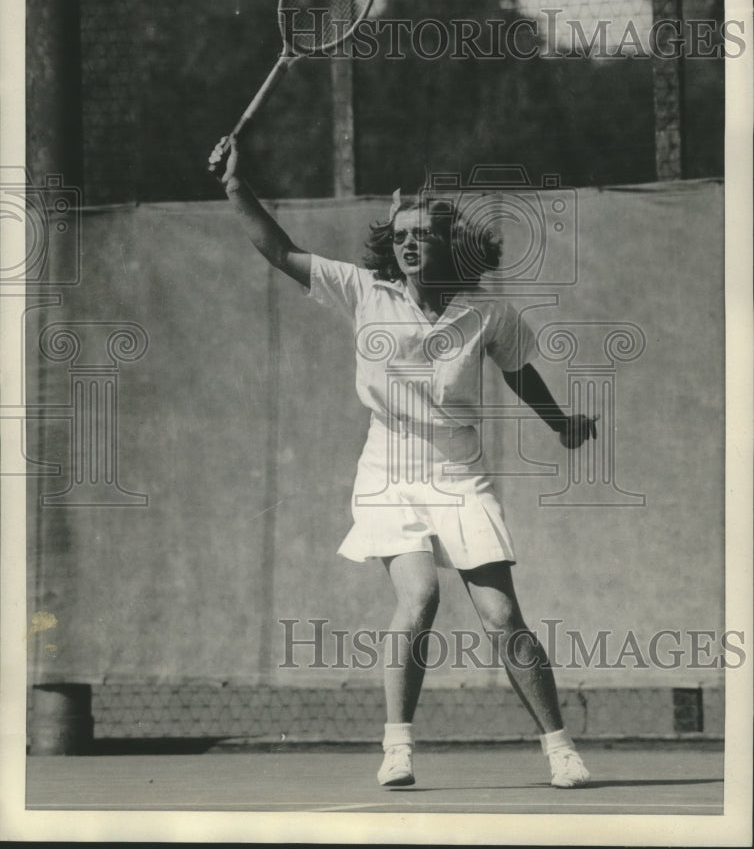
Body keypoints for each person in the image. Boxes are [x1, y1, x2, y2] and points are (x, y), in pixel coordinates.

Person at [209, 135, 598, 789]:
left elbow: (519, 373)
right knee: (419, 598)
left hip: (460, 473)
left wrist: (562, 425)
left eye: (422, 234)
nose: (409, 244)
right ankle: (398, 748)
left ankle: (560, 749)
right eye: (400, 236)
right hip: (388, 471)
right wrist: (233, 186)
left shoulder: (488, 313)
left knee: (503, 617)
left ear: (450, 244)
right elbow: (279, 250)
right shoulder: (363, 290)